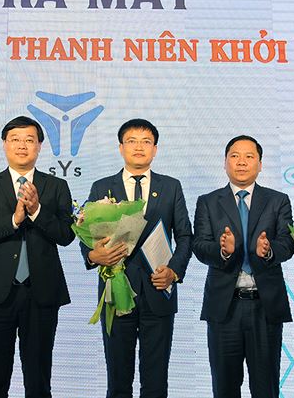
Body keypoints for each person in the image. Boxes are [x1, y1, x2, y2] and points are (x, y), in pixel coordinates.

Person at [81, 118, 193, 398]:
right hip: (116, 292)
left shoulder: (171, 187)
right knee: (118, 381)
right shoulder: (101, 187)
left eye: (146, 142)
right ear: (121, 147)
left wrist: (174, 271)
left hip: (159, 290)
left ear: (155, 149)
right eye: (132, 141)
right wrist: (93, 255)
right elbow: (86, 235)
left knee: (156, 383)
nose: (139, 147)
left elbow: (185, 236)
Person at [0, 116, 75, 398]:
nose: (22, 145)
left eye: (29, 140)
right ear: (4, 144)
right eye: (15, 139)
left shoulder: (57, 186)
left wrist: (37, 211)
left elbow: (66, 235)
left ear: (39, 146)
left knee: (38, 382)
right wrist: (13, 221)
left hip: (41, 294)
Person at [192, 135, 294, 398]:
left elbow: (288, 243)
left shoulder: (278, 200)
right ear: (225, 162)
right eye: (235, 156)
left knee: (266, 387)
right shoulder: (208, 202)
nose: (241, 162)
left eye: (249, 157)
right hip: (224, 308)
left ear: (260, 164)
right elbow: (200, 246)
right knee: (224, 387)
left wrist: (268, 250)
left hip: (265, 306)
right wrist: (223, 251)